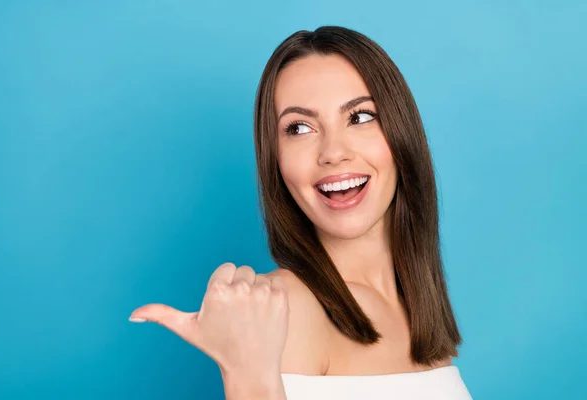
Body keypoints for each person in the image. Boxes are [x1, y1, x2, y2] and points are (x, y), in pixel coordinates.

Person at [129, 26, 472, 400]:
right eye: (300, 127)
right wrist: (247, 373)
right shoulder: (288, 308)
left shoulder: (416, 310)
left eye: (359, 117)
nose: (333, 152)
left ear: (401, 132)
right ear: (275, 159)